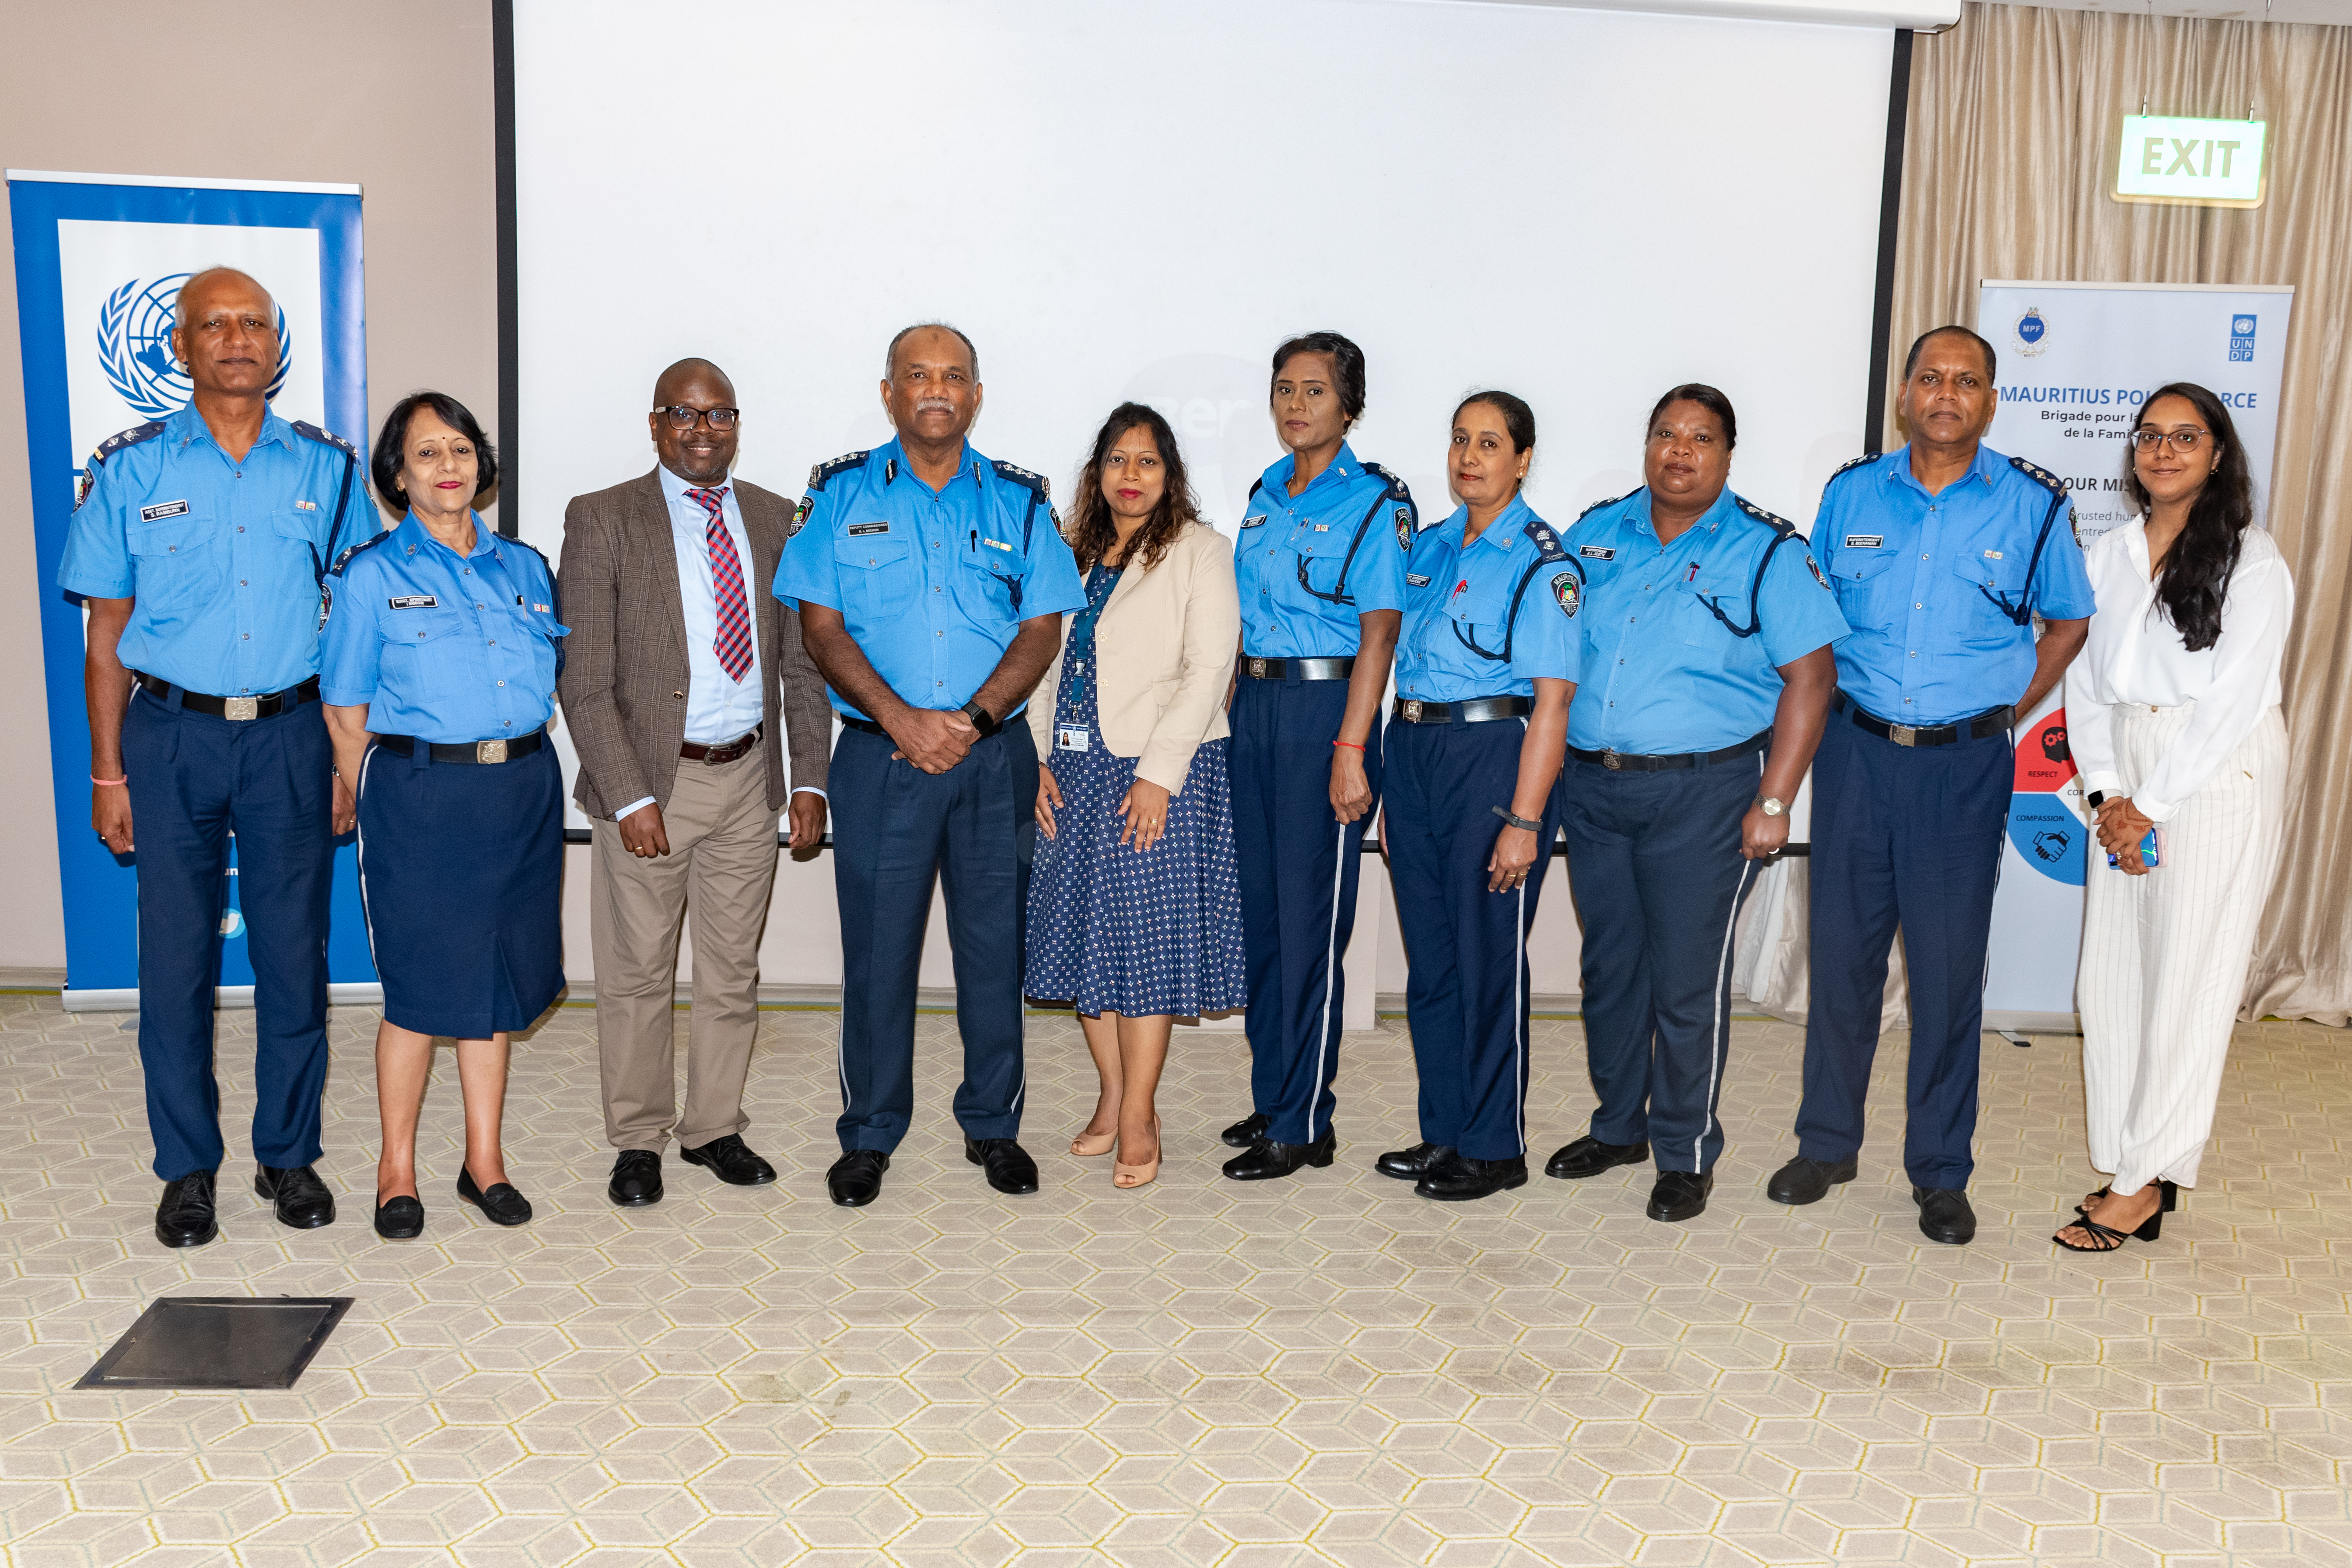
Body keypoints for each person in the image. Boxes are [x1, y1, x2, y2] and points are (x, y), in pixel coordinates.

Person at [56, 267, 371, 1249]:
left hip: (291, 733)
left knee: (292, 956)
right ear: (180, 346)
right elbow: (106, 632)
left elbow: (356, 625)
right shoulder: (132, 469)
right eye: (215, 324)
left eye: (255, 324)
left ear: (278, 347)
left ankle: (289, 1153)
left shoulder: (330, 472)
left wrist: (347, 758)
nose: (237, 337)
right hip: (171, 735)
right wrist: (109, 774)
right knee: (176, 962)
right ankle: (187, 1167)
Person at [1770, 326, 2095, 1245]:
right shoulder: (1850, 494)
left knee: (1948, 974)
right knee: (1842, 957)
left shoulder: (2031, 508)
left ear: (1992, 401)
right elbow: (1815, 619)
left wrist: (2004, 705)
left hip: (1962, 767)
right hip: (1857, 752)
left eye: (1967, 381)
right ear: (1905, 395)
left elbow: (2068, 623)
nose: (1946, 393)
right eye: (1930, 378)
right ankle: (1827, 1141)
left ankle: (1941, 1170)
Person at [777, 323, 1085, 1208]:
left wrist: (975, 720)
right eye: (919, 375)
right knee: (878, 954)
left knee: (995, 951)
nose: (937, 389)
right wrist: (903, 721)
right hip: (880, 760)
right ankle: (869, 1133)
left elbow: (1041, 629)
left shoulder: (1020, 502)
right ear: (889, 392)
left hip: (992, 763)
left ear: (977, 396)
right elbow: (821, 628)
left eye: (955, 376)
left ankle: (994, 1125)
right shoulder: (838, 495)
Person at [1543, 386, 1848, 1222]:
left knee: (1686, 981)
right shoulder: (1592, 536)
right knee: (1609, 972)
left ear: (1727, 454)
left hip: (1706, 793)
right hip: (1594, 785)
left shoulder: (1766, 551)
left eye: (1700, 439)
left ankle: (1683, 1151)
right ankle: (1618, 1128)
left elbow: (1812, 681)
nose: (1680, 452)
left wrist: (1776, 801)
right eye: (1665, 435)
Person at [558, 359, 833, 1208]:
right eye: (684, 413)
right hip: (655, 782)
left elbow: (799, 665)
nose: (702, 429)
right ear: (654, 423)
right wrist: (630, 795)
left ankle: (714, 1127)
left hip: (749, 777)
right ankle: (637, 1138)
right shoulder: (603, 517)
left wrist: (810, 779)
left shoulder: (775, 516)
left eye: (718, 415)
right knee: (638, 973)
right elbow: (584, 678)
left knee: (730, 971)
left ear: (737, 425)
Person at [2054, 383, 2292, 1253]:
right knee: (2111, 978)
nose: (2163, 450)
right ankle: (2128, 1157)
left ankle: (2145, 1179)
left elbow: (2233, 702)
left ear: (2217, 454)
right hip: (2124, 773)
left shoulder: (2253, 558)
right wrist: (2108, 795)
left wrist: (2148, 806)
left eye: (2185, 437)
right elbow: (2083, 683)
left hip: (2214, 774)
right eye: (2149, 436)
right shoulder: (2104, 554)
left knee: (2189, 979)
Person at [321, 392, 564, 1238]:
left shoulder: (525, 567)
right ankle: (395, 1169)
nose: (448, 467)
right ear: (398, 475)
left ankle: (483, 1162)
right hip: (421, 801)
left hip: (523, 790)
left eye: (460, 450)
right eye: (427, 454)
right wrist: (383, 799)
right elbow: (345, 711)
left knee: (495, 986)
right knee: (420, 994)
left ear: (481, 467)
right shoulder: (372, 576)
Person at [1026, 403, 1245, 1190]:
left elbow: (1210, 666)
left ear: (1170, 473)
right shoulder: (1068, 553)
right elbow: (1043, 661)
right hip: (1074, 773)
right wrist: (1038, 758)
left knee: (1141, 950)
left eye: (1147, 462)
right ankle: (1112, 1097)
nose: (1131, 476)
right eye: (1118, 461)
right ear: (1098, 473)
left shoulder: (1200, 552)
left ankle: (1144, 1115)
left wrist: (1159, 774)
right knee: (1088, 938)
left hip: (1158, 774)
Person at [1222, 331, 1412, 1183]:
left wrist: (1349, 746)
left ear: (1349, 405)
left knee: (1310, 929)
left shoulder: (1376, 502)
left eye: (1315, 391)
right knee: (1263, 921)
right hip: (1255, 710)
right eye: (1285, 389)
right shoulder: (1264, 493)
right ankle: (1276, 1095)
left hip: (1324, 713)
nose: (1296, 404)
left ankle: (1306, 1120)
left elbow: (1379, 633)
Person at [1376, 392, 1575, 1202]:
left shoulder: (1542, 562)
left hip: (1494, 760)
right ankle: (1446, 1130)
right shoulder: (1426, 548)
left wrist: (1525, 821)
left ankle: (1497, 1147)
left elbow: (1553, 704)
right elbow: (1402, 672)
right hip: (1417, 752)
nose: (1469, 456)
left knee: (1488, 958)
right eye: (1460, 439)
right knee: (1433, 962)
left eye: (1489, 443)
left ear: (1522, 459)